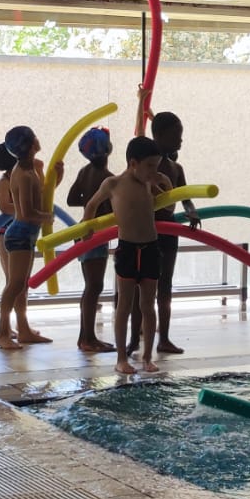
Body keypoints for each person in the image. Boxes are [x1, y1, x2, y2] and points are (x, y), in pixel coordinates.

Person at [88, 136, 171, 375]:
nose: (154, 171)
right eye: (150, 166)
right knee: (124, 305)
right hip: (127, 249)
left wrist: (165, 182)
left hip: (150, 248)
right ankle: (121, 358)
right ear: (133, 163)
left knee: (148, 305)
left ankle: (147, 357)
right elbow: (92, 204)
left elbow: (168, 207)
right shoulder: (113, 184)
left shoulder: (148, 183)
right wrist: (87, 229)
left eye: (156, 166)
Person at [0, 127, 53, 351]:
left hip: (26, 234)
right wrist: (46, 217)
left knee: (21, 285)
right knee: (14, 285)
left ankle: (24, 331)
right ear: (29, 145)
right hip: (19, 235)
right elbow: (26, 213)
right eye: (34, 136)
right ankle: (2, 333)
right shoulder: (24, 175)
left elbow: (41, 195)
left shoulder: (28, 170)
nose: (38, 139)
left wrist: (56, 175)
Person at [148, 111, 197, 355]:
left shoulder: (177, 168)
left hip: (168, 232)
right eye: (175, 135)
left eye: (181, 135)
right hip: (145, 231)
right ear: (158, 136)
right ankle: (137, 337)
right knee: (142, 286)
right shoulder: (145, 166)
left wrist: (191, 212)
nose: (180, 140)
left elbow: (185, 197)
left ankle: (164, 338)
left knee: (165, 285)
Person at [64, 127, 115, 354]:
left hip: (84, 231)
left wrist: (88, 201)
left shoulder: (84, 172)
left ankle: (84, 337)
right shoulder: (108, 178)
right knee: (94, 286)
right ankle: (88, 338)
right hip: (95, 234)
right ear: (107, 149)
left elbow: (72, 199)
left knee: (90, 287)